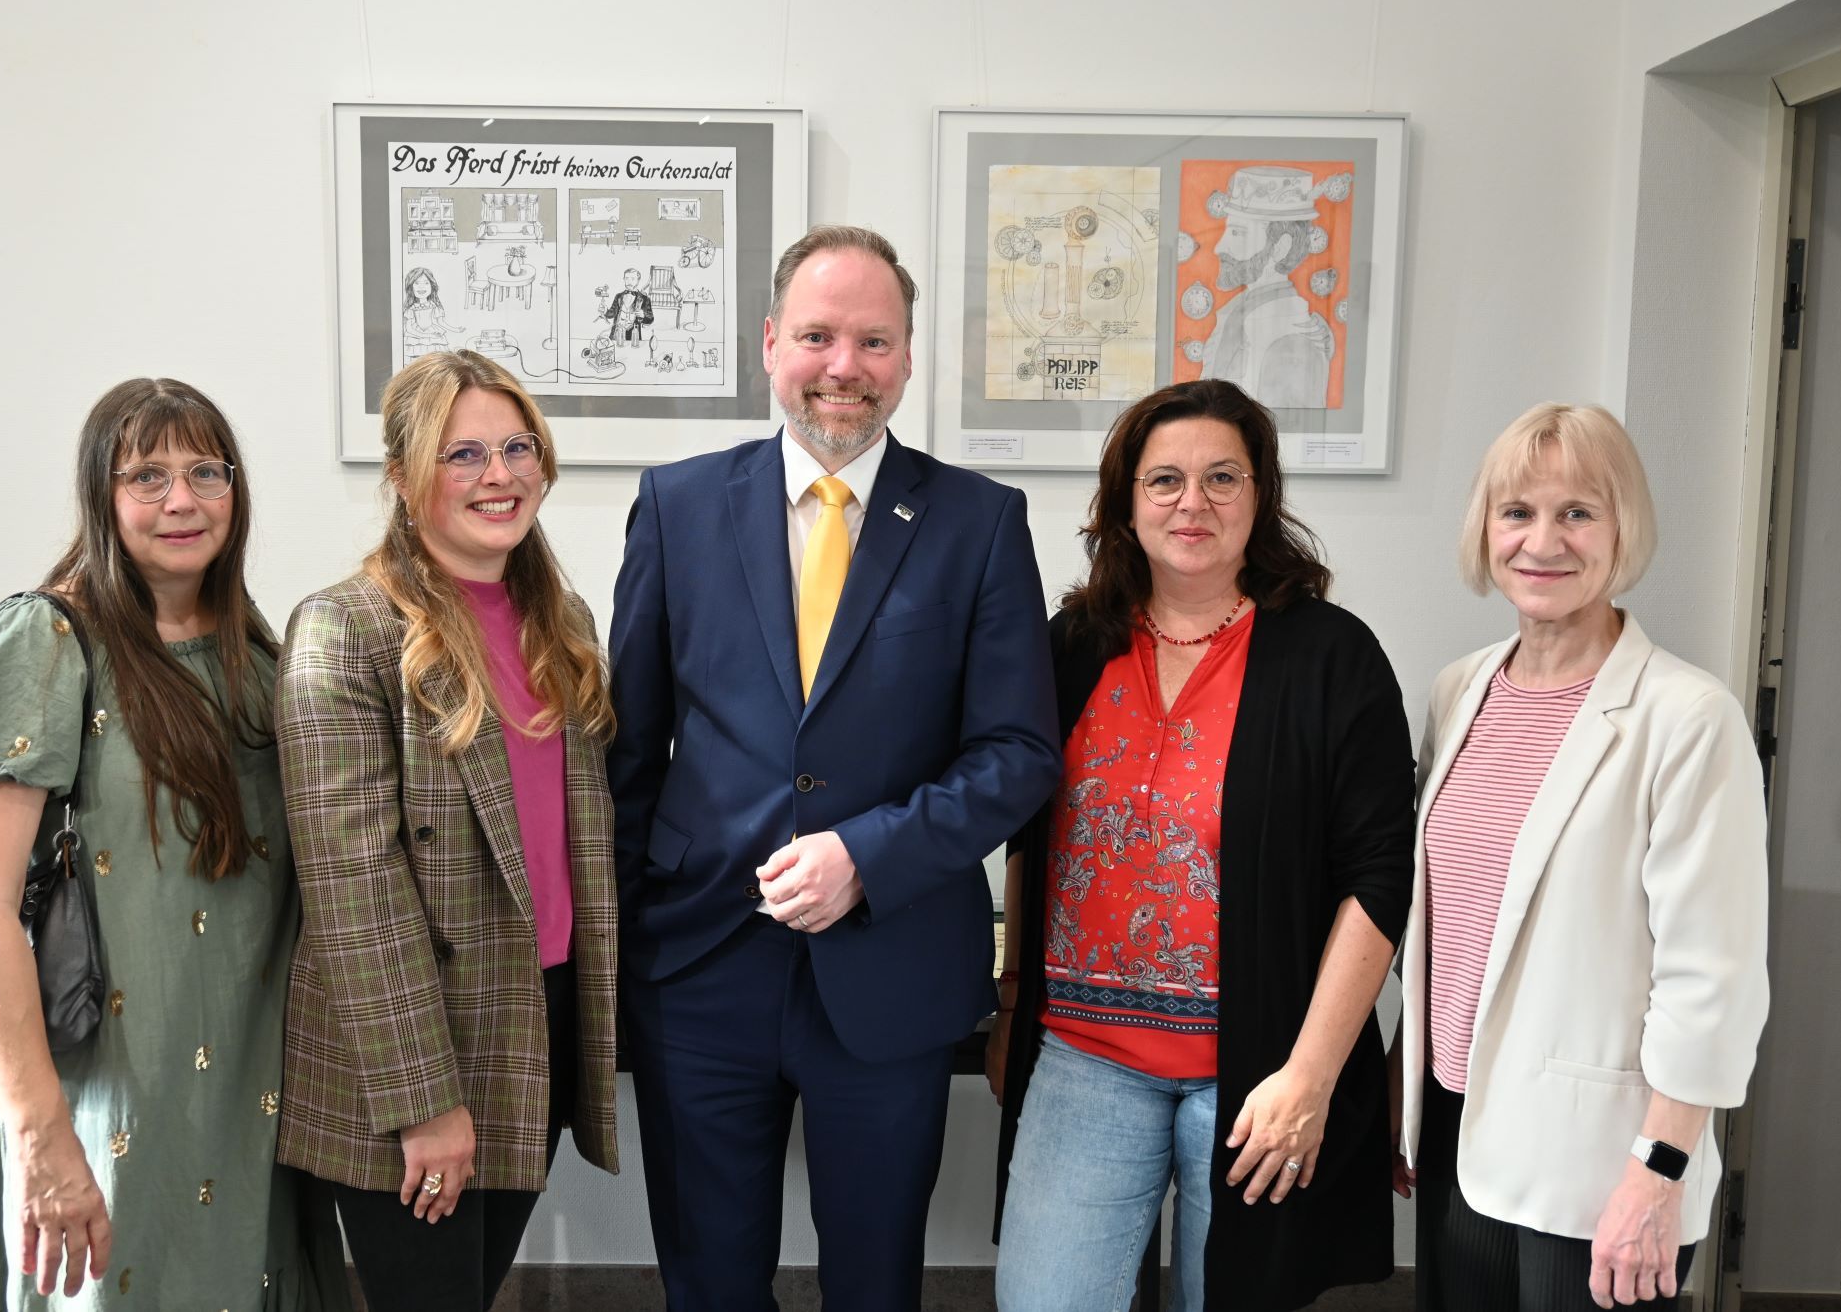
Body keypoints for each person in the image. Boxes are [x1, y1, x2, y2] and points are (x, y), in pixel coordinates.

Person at [607, 224, 1060, 1312]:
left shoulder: (979, 522)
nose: (843, 365)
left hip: (891, 961)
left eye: (872, 339)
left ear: (907, 356)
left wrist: (868, 851)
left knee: (874, 1283)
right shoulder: (677, 504)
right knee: (709, 1283)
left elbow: (1018, 753)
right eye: (817, 335)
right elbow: (627, 749)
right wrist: (618, 946)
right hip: (701, 961)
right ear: (771, 343)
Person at [0, 378, 349, 1309]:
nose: (181, 499)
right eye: (146, 474)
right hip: (92, 1087)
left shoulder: (253, 648)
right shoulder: (41, 640)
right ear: (99, 495)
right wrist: (40, 1136)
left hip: (241, 1091)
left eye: (205, 471)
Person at [990, 380, 1415, 1312]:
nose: (1194, 502)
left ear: (1261, 495)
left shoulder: (1332, 657)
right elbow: (1030, 833)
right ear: (1124, 502)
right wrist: (1014, 1000)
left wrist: (1311, 1075)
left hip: (1260, 1071)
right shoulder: (1069, 647)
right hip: (1084, 1056)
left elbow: (1380, 880)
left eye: (1223, 477)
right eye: (1166, 479)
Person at [1394, 403, 1769, 1311]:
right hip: (1456, 1123)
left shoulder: (1688, 715)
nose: (1543, 541)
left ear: (1621, 529)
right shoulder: (1460, 688)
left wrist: (1660, 1169)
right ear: (1487, 531)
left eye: (1577, 513)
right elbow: (1450, 922)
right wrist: (1402, 1093)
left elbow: (1709, 976)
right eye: (1517, 511)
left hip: (1598, 1156)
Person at [274, 350, 620, 1312]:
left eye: (517, 447)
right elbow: (354, 889)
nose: (498, 474)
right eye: (461, 453)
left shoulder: (564, 623)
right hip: (409, 1046)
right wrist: (424, 1100)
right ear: (402, 475)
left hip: (534, 1018)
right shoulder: (342, 629)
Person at [1200, 166, 1336, 409]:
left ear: (1280, 247)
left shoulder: (1292, 338)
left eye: (1238, 233)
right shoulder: (1237, 315)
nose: (1219, 247)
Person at [603, 267, 653, 343]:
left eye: (632, 279)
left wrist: (644, 316)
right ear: (624, 279)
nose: (629, 281)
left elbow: (650, 319)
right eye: (627, 278)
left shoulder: (645, 299)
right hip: (616, 334)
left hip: (633, 336)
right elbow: (612, 313)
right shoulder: (618, 296)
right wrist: (605, 311)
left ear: (638, 280)